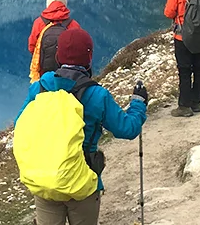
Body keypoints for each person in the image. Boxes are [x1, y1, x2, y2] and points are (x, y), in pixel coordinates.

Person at [19, 27, 148, 225]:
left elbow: (21, 125)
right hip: (81, 181)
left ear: (57, 55)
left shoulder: (39, 88)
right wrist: (138, 103)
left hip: (44, 180)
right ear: (89, 57)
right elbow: (128, 129)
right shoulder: (97, 95)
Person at [28, 0, 82, 82]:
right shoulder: (73, 24)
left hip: (44, 74)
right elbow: (79, 50)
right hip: (68, 75)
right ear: (64, 1)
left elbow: (32, 47)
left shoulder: (39, 23)